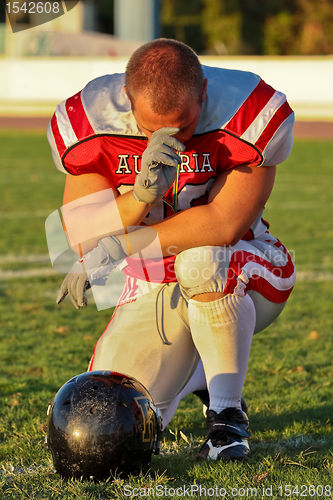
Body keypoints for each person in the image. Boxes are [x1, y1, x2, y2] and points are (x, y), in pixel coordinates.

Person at [47, 38, 296, 461]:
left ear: (203, 93)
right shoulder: (92, 119)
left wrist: (121, 243)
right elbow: (81, 230)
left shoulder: (245, 112)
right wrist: (140, 197)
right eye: (150, 128)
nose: (168, 138)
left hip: (244, 268)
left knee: (200, 261)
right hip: (152, 282)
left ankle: (226, 417)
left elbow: (223, 225)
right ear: (127, 99)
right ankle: (199, 373)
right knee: (113, 420)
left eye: (181, 127)